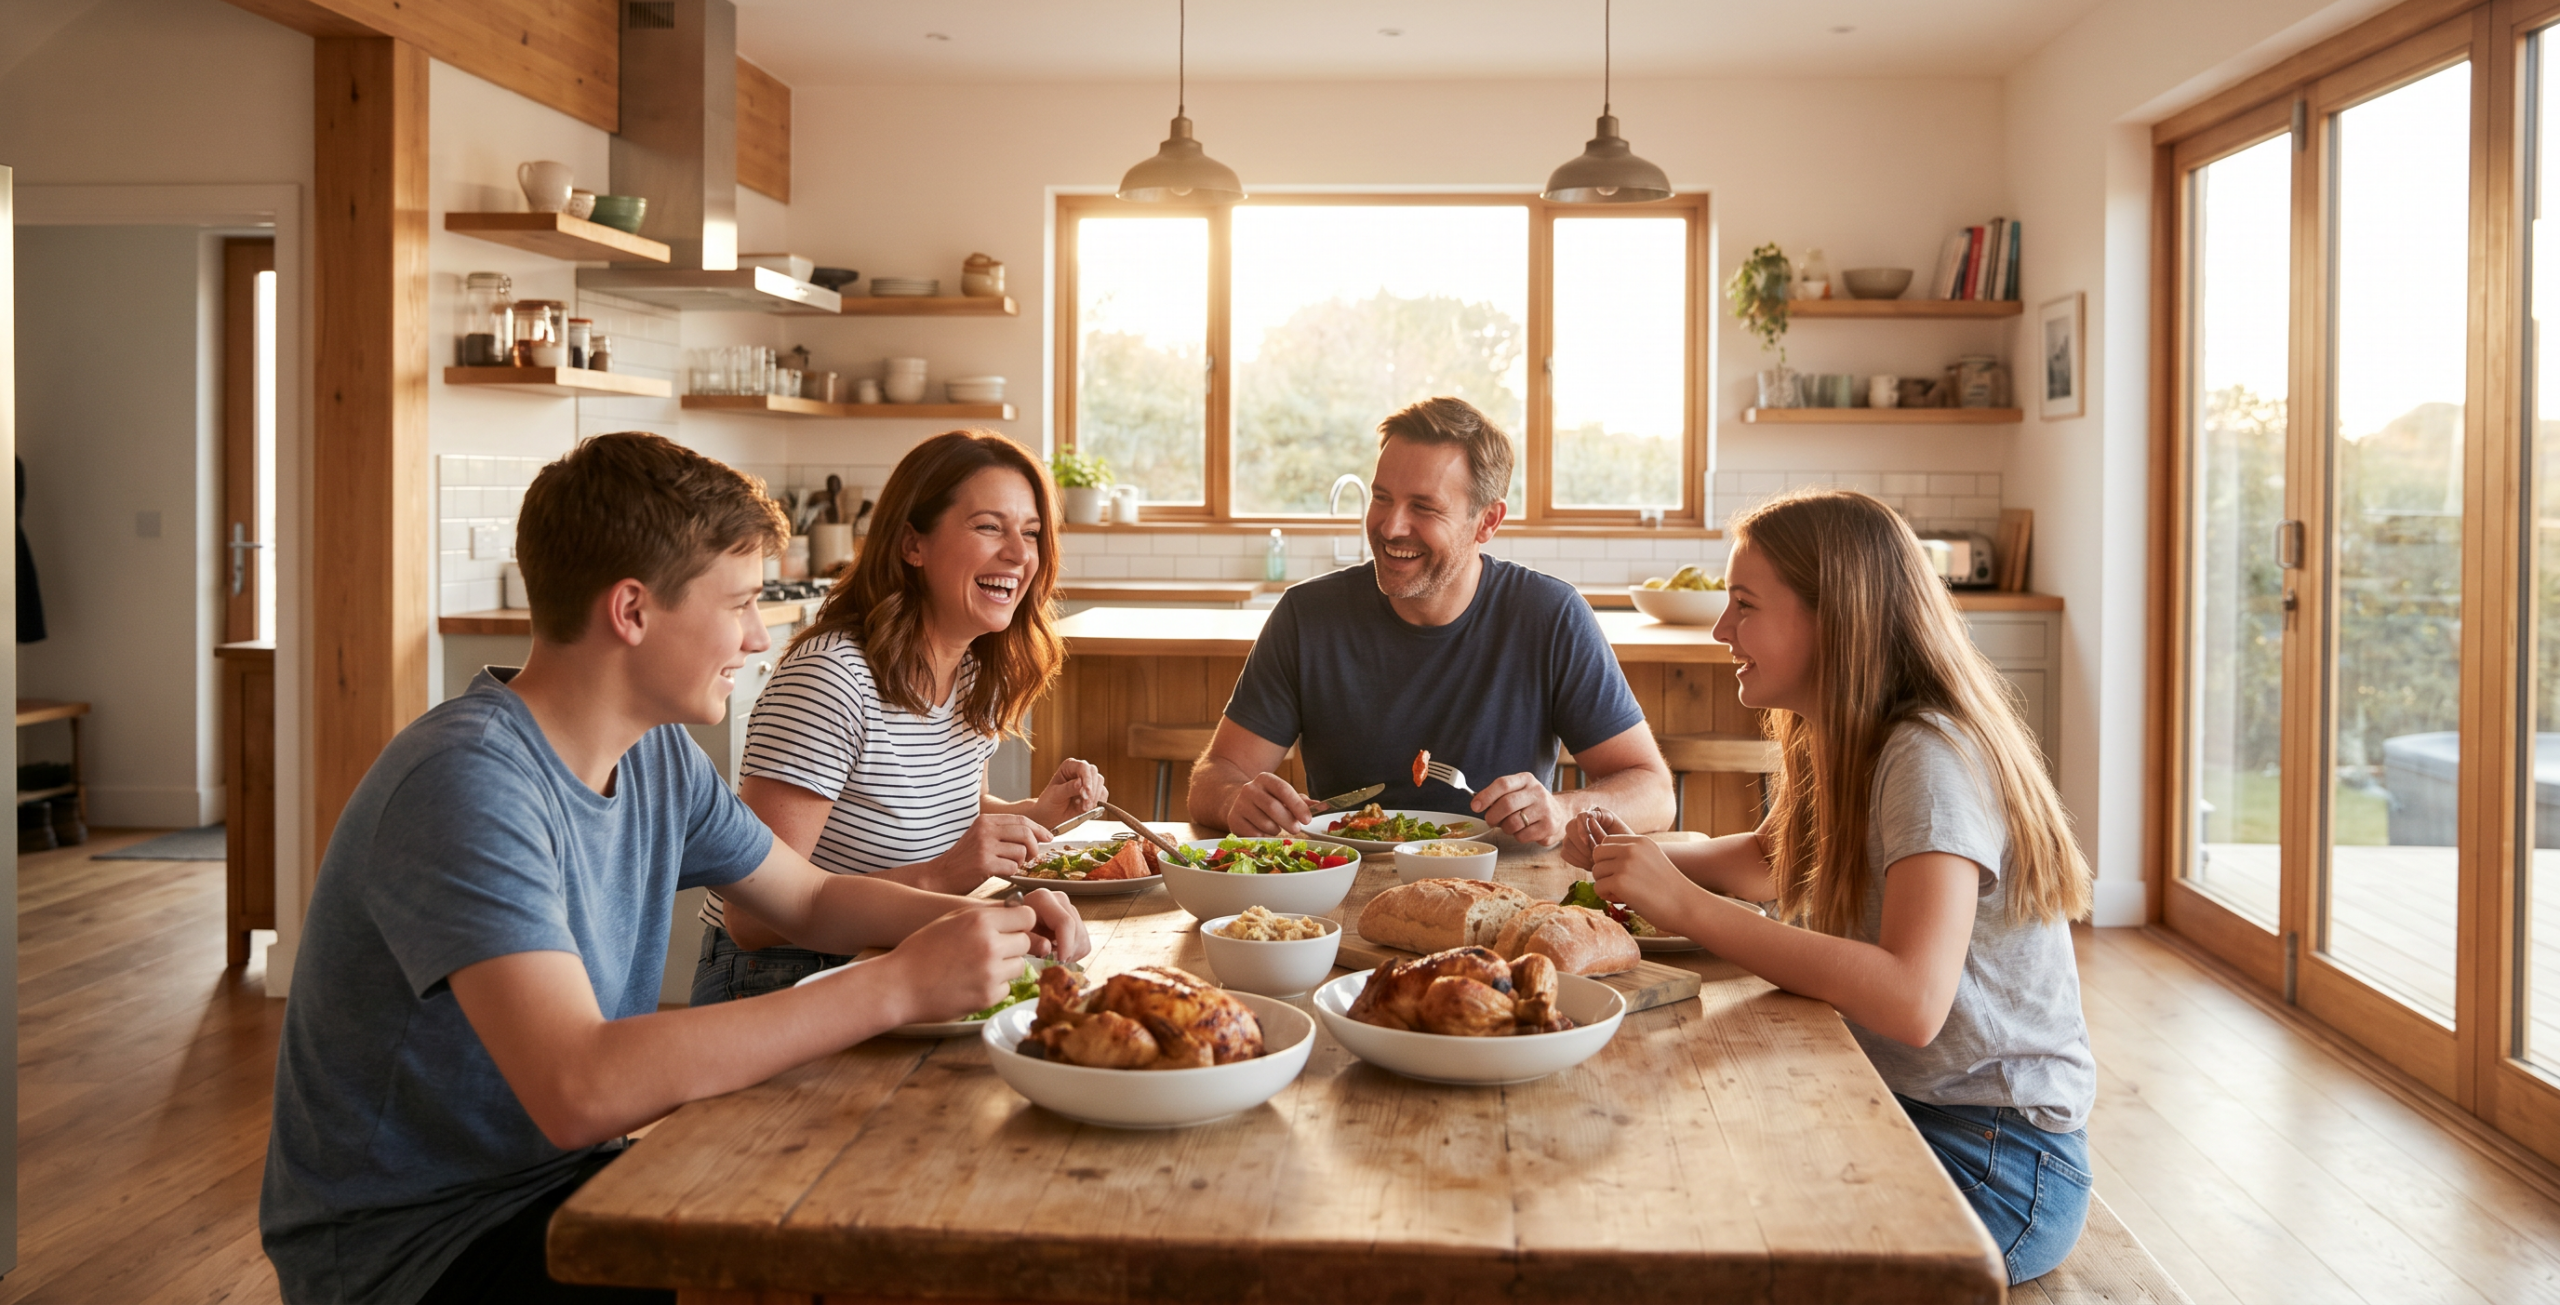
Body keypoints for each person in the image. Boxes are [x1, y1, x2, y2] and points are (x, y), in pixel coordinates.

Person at [259, 432, 1089, 1305]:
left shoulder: (656, 758)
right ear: (632, 610)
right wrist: (896, 987)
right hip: (425, 1250)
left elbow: (804, 898)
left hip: (569, 1183)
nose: (757, 636)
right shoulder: (465, 784)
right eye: (738, 603)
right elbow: (579, 1086)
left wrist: (995, 921)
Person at [1567, 488, 2095, 1286]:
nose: (1721, 631)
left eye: (1744, 606)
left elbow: (1913, 1000)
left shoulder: (1928, 756)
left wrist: (1684, 905)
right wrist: (1635, 855)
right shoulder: (1846, 732)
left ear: (1832, 618)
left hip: (1999, 1160)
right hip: (1909, 1106)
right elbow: (1770, 860)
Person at [693, 429, 1105, 1003]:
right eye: (989, 526)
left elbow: (942, 807)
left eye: (1031, 533)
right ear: (913, 544)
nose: (1019, 553)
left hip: (898, 953)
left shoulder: (971, 668)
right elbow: (753, 918)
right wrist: (947, 875)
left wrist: (1035, 812)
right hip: (779, 976)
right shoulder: (832, 677)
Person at [1188, 395, 1673, 847]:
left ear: (1487, 521)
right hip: (1340, 887)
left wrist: (1565, 810)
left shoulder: (1550, 616)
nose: (1391, 526)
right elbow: (1216, 775)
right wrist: (1237, 799)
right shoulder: (1307, 616)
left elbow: (1654, 792)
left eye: (1424, 507)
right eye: (1381, 498)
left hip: (1500, 887)